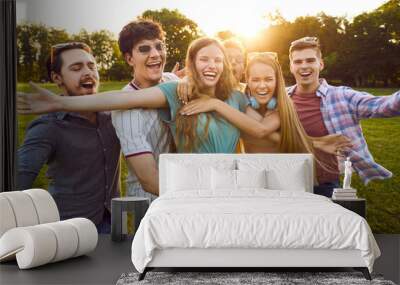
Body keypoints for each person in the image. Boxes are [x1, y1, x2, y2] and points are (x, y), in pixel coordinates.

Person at [18, 37, 286, 154]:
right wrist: (61, 102)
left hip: (229, 185)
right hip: (189, 186)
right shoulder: (175, 93)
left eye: (218, 60)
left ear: (224, 65)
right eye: (204, 59)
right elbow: (122, 99)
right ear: (192, 63)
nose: (212, 65)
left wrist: (214, 103)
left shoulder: (237, 99)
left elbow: (262, 131)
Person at [17, 42, 121, 233]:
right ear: (57, 78)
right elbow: (17, 179)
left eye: (91, 66)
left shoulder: (113, 114)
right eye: (76, 68)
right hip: (70, 230)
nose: (88, 72)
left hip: (113, 221)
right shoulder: (48, 126)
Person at [287, 36, 400, 196]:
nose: (304, 66)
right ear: (291, 66)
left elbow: (383, 106)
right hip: (287, 180)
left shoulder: (342, 96)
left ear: (321, 64)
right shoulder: (282, 98)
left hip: (325, 183)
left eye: (310, 60)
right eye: (298, 62)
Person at [112, 19, 178, 200]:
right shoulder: (125, 109)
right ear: (129, 58)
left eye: (159, 46)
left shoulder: (172, 80)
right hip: (149, 202)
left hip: (182, 189)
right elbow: (149, 180)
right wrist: (191, 199)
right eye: (144, 49)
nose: (155, 54)